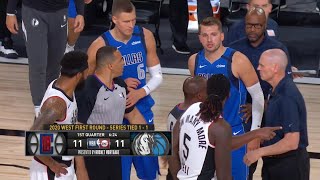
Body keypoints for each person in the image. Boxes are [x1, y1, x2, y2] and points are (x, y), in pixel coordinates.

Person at [86, 0, 163, 179]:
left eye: (134, 20)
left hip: (142, 111)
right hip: (114, 117)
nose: (131, 25)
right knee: (119, 173)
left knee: (150, 172)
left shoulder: (145, 36)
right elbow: (89, 83)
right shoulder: (100, 44)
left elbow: (158, 77)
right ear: (114, 19)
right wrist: (117, 83)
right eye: (126, 21)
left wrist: (140, 92)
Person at [188, 17, 264, 180]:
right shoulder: (194, 61)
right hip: (205, 135)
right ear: (199, 37)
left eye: (214, 34)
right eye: (205, 35)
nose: (209, 39)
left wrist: (255, 135)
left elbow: (258, 97)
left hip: (234, 132)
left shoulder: (238, 60)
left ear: (222, 36)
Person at [168, 74, 281, 180]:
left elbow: (170, 147)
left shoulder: (189, 110)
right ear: (228, 95)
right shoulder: (221, 127)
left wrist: (256, 133)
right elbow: (224, 177)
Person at [228, 7, 294, 180]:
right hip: (243, 115)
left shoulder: (278, 50)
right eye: (249, 25)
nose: (252, 29)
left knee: (274, 167)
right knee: (245, 165)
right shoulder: (234, 49)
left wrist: (261, 104)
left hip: (272, 115)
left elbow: (285, 90)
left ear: (265, 25)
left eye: (257, 26)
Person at [77, 46, 146, 180]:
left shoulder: (120, 84)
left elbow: (133, 115)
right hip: (92, 156)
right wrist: (80, 169)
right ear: (110, 65)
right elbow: (77, 129)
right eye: (121, 60)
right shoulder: (88, 89)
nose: (124, 63)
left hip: (114, 153)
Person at [6, 0, 85, 117]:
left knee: (55, 65)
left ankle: (49, 101)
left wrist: (80, 12)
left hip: (61, 11)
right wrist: (10, 12)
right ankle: (39, 109)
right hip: (34, 11)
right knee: (38, 64)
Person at [244, 49, 309, 180]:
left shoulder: (287, 96)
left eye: (261, 65)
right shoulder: (274, 89)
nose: (258, 68)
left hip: (289, 166)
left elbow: (291, 142)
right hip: (274, 163)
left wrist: (258, 152)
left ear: (275, 68)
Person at [29, 51, 89, 180]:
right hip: (51, 170)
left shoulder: (66, 87)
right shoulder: (57, 103)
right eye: (86, 72)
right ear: (79, 75)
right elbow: (34, 135)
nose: (87, 76)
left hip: (64, 166)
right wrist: (52, 164)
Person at [164, 76, 207, 180]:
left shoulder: (173, 112)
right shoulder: (196, 119)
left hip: (173, 169)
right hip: (184, 171)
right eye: (207, 90)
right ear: (200, 96)